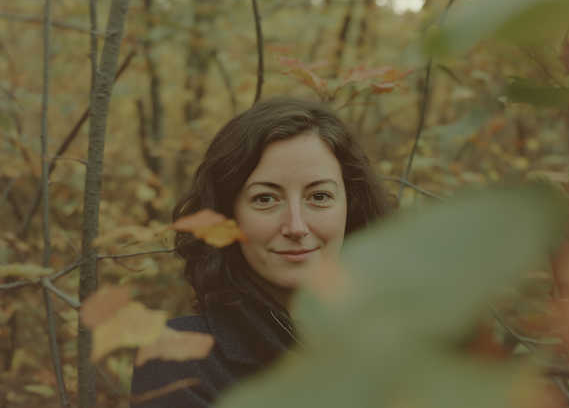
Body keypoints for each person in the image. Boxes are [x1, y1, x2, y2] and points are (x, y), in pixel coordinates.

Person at [131, 97, 394, 407]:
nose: (296, 226)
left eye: (319, 196)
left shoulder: (404, 342)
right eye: (266, 199)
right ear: (227, 215)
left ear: (352, 206)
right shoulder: (175, 358)